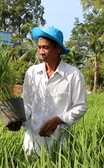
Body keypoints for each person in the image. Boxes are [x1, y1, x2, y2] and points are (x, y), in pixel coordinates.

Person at [8, 26, 88, 156]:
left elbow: (81, 107)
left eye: (45, 47)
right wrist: (18, 119)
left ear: (58, 48)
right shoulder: (32, 73)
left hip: (59, 143)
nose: (41, 51)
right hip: (32, 142)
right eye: (39, 47)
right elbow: (27, 105)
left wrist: (58, 119)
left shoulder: (73, 75)